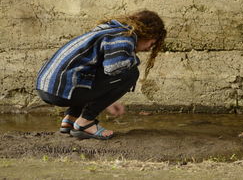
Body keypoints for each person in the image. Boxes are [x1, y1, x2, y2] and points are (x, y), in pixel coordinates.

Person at [36, 10, 166, 140]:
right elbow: (115, 68)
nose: (149, 48)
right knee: (130, 73)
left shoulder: (109, 30)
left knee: (89, 71)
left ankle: (70, 119)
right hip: (59, 90)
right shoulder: (124, 37)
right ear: (148, 33)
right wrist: (108, 101)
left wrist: (107, 100)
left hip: (47, 87)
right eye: (152, 43)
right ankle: (85, 122)